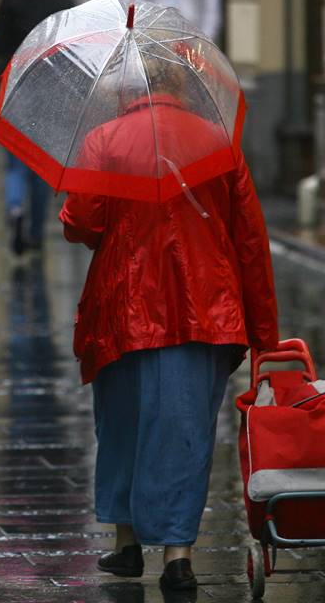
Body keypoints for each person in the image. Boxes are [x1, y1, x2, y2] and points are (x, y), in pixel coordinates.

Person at [58, 67, 278, 591]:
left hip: (124, 306)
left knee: (122, 424)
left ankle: (126, 542)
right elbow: (249, 239)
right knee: (185, 430)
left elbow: (80, 224)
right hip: (207, 307)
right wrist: (263, 334)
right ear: (181, 86)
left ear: (129, 89)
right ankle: (178, 555)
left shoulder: (103, 140)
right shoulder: (218, 141)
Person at [0, 0, 74, 255]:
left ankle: (15, 209)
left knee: (15, 161)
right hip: (49, 89)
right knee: (40, 164)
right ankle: (36, 231)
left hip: (15, 87)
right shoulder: (61, 3)